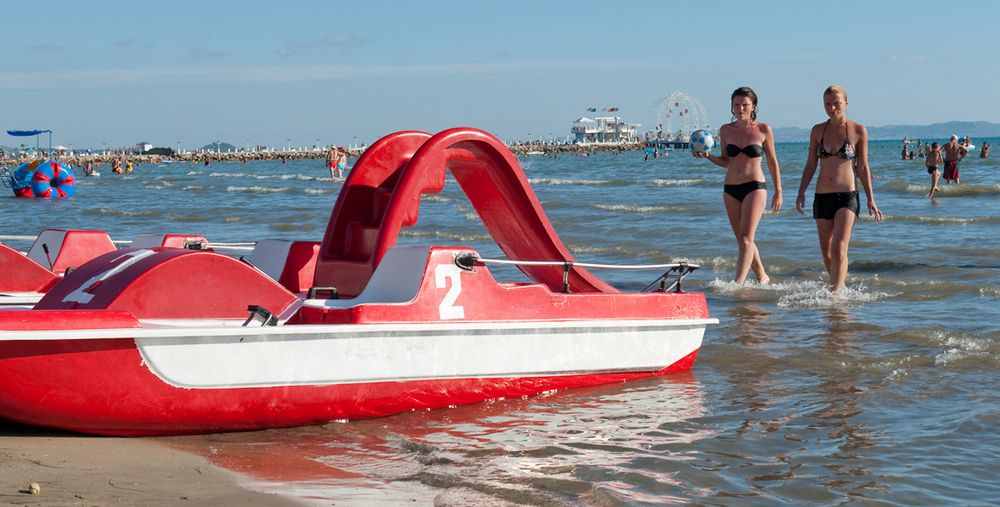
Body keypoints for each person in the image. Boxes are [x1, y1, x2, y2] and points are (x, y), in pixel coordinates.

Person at [795, 85, 883, 292]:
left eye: (836, 103)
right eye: (828, 103)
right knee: (826, 252)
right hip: (822, 195)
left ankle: (836, 293)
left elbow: (862, 166)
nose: (832, 107)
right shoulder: (818, 130)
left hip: (847, 196)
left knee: (839, 247)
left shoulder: (858, 130)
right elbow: (810, 164)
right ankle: (837, 284)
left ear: (846, 103)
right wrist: (801, 191)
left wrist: (871, 199)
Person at [693, 86, 782, 285]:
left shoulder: (763, 129)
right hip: (731, 189)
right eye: (736, 105)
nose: (740, 108)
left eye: (745, 105)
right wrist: (707, 156)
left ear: (753, 106)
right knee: (743, 239)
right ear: (732, 107)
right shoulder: (725, 130)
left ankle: (738, 283)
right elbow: (727, 161)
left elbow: (772, 161)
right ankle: (762, 276)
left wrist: (778, 191)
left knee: (745, 238)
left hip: (755, 187)